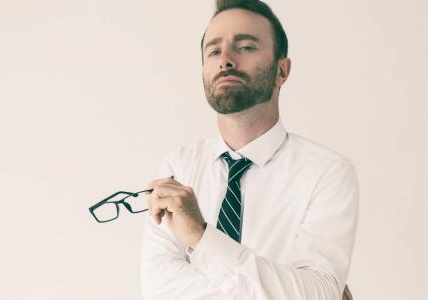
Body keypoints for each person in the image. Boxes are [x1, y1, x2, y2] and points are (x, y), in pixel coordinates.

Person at [140, 0, 359, 299]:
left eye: (245, 47)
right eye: (214, 50)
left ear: (282, 71)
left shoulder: (327, 173)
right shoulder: (178, 167)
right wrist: (277, 286)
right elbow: (158, 289)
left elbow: (318, 293)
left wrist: (201, 238)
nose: (226, 60)